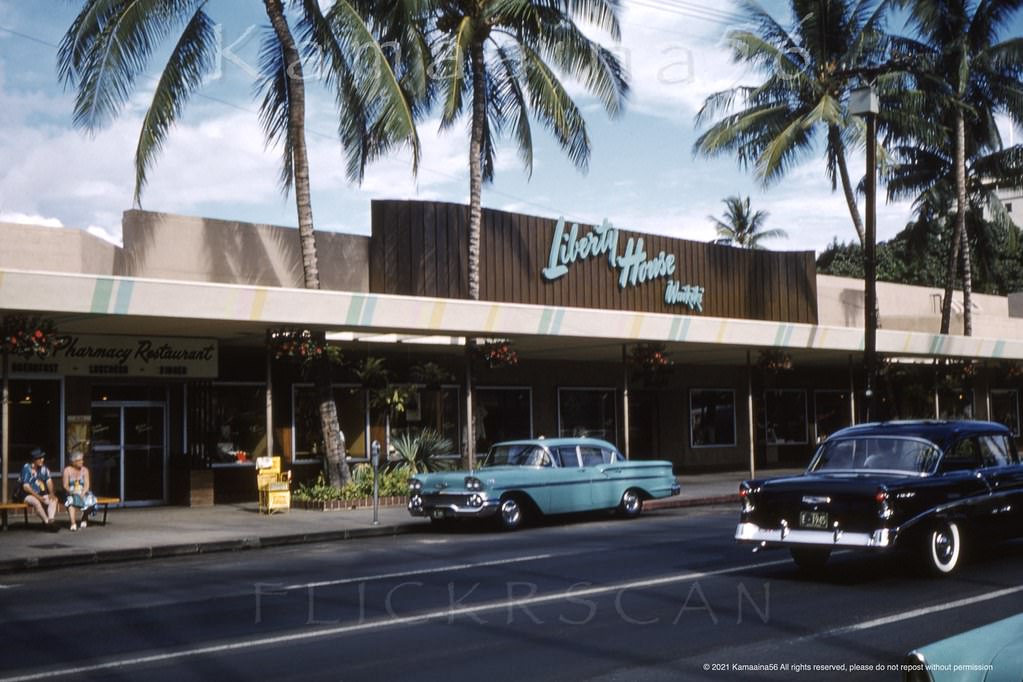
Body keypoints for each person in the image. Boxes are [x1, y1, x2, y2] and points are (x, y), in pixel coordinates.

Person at [19, 447, 58, 531]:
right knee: (36, 502)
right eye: (39, 458)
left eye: (42, 458)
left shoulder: (44, 468)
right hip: (26, 494)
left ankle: (51, 520)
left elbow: (49, 481)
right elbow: (26, 487)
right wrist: (38, 497)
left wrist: (51, 493)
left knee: (54, 499)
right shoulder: (27, 468)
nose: (42, 460)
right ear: (34, 459)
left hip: (40, 493)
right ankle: (47, 522)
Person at [62, 451, 97, 531]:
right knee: (71, 502)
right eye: (80, 460)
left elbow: (87, 485)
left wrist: (83, 492)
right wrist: (72, 492)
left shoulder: (85, 470)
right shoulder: (67, 470)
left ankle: (85, 517)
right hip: (71, 491)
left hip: (82, 490)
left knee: (91, 499)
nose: (82, 462)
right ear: (74, 462)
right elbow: (65, 485)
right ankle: (73, 523)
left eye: (82, 460)